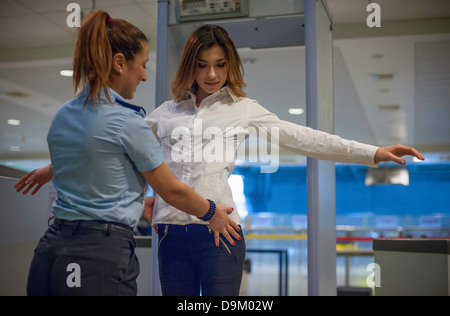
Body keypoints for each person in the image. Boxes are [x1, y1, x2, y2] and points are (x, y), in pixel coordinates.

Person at [19, 24, 425, 296]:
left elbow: (304, 138)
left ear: (230, 64)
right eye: (202, 65)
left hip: (220, 234)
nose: (211, 74)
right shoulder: (164, 113)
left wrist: (372, 152)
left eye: (219, 65)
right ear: (190, 66)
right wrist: (51, 168)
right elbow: (106, 141)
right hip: (171, 236)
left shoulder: (243, 108)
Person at [17, 13, 239, 296]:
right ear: (120, 63)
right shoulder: (126, 121)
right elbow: (171, 190)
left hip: (50, 249)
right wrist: (211, 212)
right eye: (142, 66)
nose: (145, 75)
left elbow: (90, 150)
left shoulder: (64, 114)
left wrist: (50, 169)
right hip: (98, 255)